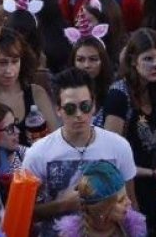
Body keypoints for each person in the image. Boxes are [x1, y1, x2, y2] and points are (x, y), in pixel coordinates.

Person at [25, 68, 136, 234]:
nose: (79, 114)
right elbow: (25, 213)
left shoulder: (118, 146)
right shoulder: (38, 153)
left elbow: (131, 204)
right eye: (70, 108)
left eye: (85, 106)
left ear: (94, 105)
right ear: (58, 109)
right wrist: (63, 205)